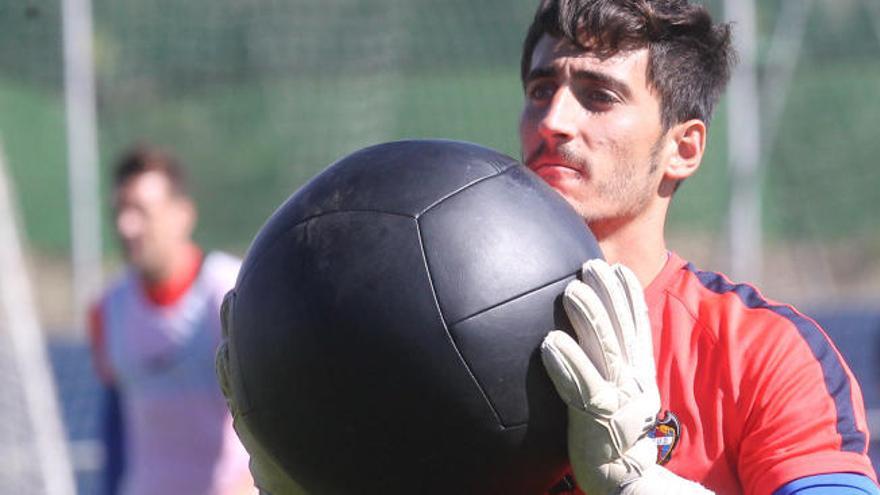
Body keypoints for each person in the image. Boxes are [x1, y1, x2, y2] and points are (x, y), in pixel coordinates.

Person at [524, 1, 879, 494]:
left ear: (683, 148)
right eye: (541, 91)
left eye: (599, 96)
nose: (552, 120)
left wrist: (640, 484)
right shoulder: (436, 321)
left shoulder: (763, 353)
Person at [88, 144, 255, 495]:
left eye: (140, 211)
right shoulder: (107, 310)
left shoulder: (228, 292)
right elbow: (114, 427)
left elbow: (269, 413)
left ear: (183, 214)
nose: (126, 226)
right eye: (119, 211)